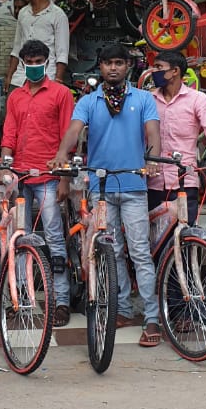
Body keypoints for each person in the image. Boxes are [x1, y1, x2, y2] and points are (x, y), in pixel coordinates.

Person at [54, 41, 164, 348]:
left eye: (119, 62)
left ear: (128, 66)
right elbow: (74, 131)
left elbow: (153, 133)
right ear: (99, 68)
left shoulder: (143, 99)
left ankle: (152, 317)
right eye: (107, 63)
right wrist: (62, 153)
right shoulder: (88, 102)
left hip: (133, 187)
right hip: (100, 189)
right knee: (112, 253)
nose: (113, 68)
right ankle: (123, 309)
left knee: (140, 252)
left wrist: (152, 160)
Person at [0, 39, 74, 327]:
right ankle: (21, 299)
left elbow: (69, 137)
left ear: (47, 61)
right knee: (19, 238)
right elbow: (9, 135)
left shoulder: (61, 93)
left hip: (49, 177)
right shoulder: (15, 97)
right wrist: (4, 167)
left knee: (54, 238)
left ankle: (61, 302)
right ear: (22, 63)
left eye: (38, 61)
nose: (33, 67)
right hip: (20, 176)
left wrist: (65, 178)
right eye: (28, 62)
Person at [147, 50, 206, 223]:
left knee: (185, 236)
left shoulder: (198, 99)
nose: (153, 71)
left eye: (158, 67)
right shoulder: (148, 99)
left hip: (184, 181)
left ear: (175, 71)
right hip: (152, 181)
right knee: (155, 242)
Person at [3, 0, 69, 91]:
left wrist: (58, 80)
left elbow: (62, 53)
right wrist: (9, 76)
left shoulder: (58, 15)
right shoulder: (23, 13)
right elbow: (17, 48)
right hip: (20, 79)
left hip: (47, 78)